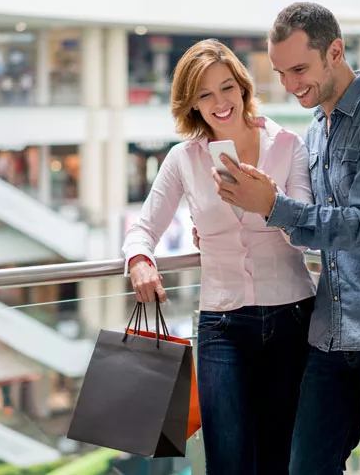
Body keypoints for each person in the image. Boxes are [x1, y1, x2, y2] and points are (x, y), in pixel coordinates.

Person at [211, 3, 360, 474]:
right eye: (281, 73)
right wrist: (234, 224)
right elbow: (312, 230)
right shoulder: (316, 132)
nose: (290, 84)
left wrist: (273, 205)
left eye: (299, 69)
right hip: (334, 332)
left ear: (335, 52)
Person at [122, 38, 316, 474]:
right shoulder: (183, 160)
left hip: (292, 318)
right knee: (227, 462)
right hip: (222, 326)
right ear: (192, 104)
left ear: (243, 87)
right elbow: (142, 228)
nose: (220, 102)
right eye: (205, 94)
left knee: (281, 461)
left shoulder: (288, 145)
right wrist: (140, 261)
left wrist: (270, 201)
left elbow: (307, 235)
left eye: (227, 87)